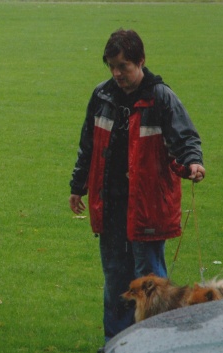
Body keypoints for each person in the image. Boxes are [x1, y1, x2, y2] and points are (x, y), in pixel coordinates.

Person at [68, 29, 205, 350]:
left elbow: (186, 139)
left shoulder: (161, 98)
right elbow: (86, 146)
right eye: (111, 66)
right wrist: (78, 186)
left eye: (123, 67)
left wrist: (193, 162)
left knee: (152, 283)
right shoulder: (101, 96)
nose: (116, 74)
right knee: (116, 282)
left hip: (147, 207)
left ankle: (158, 343)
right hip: (111, 206)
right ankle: (115, 343)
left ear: (140, 62)